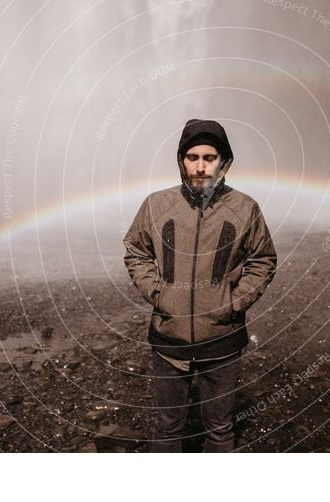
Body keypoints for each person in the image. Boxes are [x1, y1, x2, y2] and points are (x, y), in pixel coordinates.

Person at [123, 118, 277, 452]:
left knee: (220, 431)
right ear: (182, 161)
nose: (201, 166)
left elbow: (264, 259)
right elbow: (136, 250)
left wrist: (233, 303)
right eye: (193, 157)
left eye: (209, 158)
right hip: (169, 341)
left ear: (223, 162)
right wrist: (158, 294)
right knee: (166, 430)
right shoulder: (155, 204)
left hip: (222, 342)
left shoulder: (244, 208)